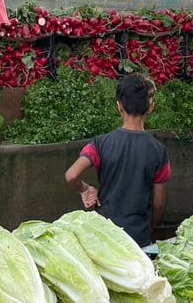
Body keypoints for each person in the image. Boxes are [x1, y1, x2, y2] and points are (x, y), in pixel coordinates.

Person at [64, 72, 170, 247]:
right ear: (150, 107)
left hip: (104, 235)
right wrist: (148, 228)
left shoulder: (100, 144)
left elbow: (71, 175)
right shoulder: (159, 151)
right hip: (138, 238)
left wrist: (85, 189)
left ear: (119, 106)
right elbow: (158, 203)